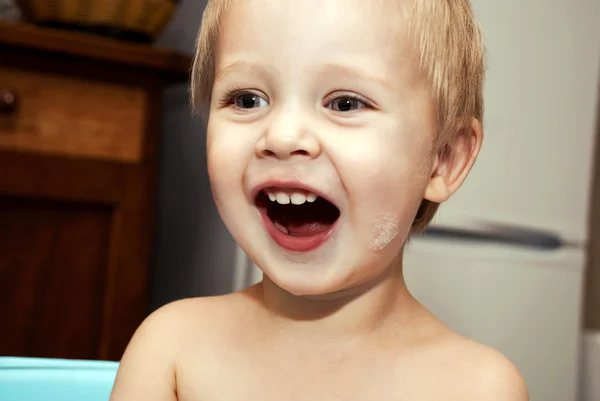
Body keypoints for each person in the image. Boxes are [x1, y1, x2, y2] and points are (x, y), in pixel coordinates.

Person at [110, 0, 528, 400]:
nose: (283, 137)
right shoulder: (173, 351)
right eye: (247, 99)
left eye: (345, 103)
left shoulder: (475, 388)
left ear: (443, 159)